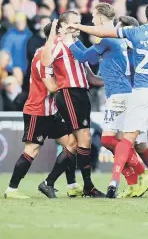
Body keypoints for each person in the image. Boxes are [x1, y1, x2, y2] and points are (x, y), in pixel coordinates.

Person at [66, 0, 148, 198]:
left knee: (110, 139)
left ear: (99, 18)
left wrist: (70, 40)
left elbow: (85, 58)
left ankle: (139, 175)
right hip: (137, 92)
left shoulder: (109, 39)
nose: (92, 19)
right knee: (141, 144)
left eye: (92, 16)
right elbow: (95, 77)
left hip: (124, 94)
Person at [4, 22, 83, 199]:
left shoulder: (48, 53)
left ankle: (71, 185)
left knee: (72, 144)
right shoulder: (42, 56)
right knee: (32, 150)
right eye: (60, 34)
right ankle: (11, 189)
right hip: (37, 111)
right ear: (54, 36)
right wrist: (71, 83)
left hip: (51, 112)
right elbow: (51, 86)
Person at [40, 11, 105, 197]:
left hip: (82, 93)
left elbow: (91, 77)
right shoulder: (57, 44)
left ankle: (48, 182)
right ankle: (88, 187)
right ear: (63, 26)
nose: (78, 26)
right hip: (69, 93)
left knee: (74, 143)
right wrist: (53, 33)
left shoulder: (77, 44)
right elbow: (45, 62)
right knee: (83, 139)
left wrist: (116, 80)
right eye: (74, 23)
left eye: (79, 22)